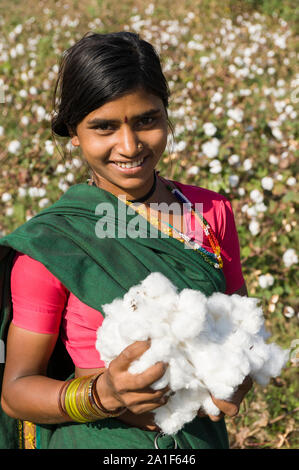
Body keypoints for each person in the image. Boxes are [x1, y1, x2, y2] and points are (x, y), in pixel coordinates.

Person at [0, 31, 252, 450]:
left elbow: (240, 328)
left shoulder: (210, 216)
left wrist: (238, 371)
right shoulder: (56, 244)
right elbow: (16, 390)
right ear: (73, 132)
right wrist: (104, 395)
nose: (130, 146)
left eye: (147, 120)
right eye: (104, 127)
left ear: (166, 115)